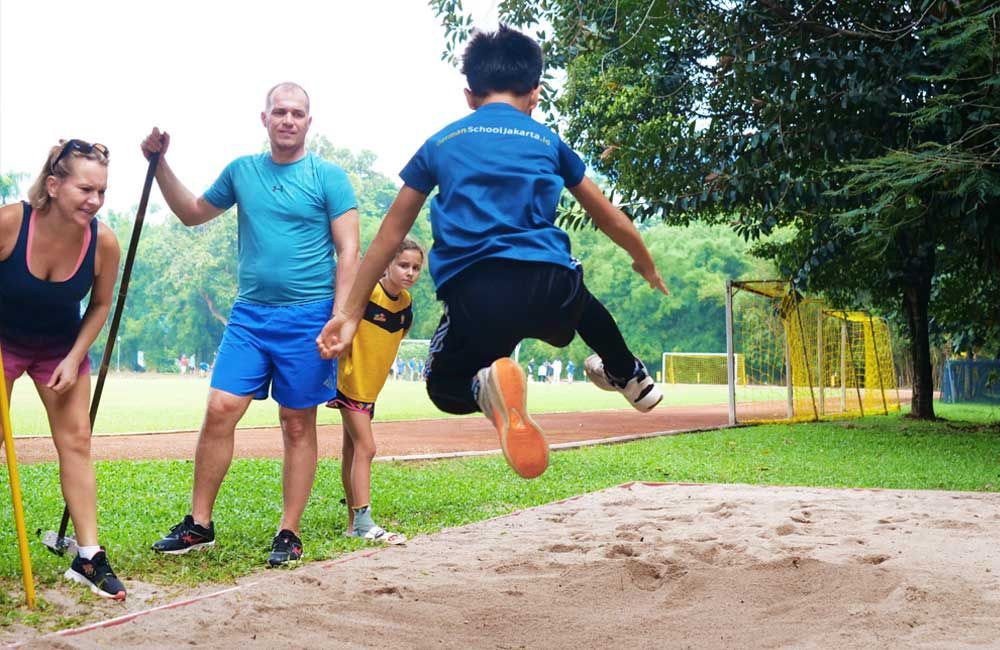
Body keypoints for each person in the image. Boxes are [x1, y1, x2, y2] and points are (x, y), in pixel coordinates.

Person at [317, 26, 668, 480]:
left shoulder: (441, 142)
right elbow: (608, 216)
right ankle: (629, 375)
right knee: (579, 297)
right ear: (535, 94)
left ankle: (484, 389)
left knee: (443, 387)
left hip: (476, 293)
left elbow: (390, 233)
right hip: (550, 285)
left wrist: (348, 312)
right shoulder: (547, 142)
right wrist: (643, 260)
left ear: (469, 95)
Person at [142, 82, 360, 566]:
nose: (287, 120)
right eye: (279, 112)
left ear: (309, 121)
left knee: (297, 423)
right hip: (250, 315)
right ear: (263, 118)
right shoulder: (242, 171)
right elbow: (192, 214)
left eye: (297, 113)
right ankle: (199, 524)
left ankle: (289, 531)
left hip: (309, 316)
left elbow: (349, 251)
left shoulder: (329, 177)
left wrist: (341, 317)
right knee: (220, 406)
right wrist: (159, 167)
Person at [0, 139, 126, 599]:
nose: (94, 201)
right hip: (4, 343)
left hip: (59, 347)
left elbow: (101, 303)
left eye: (102, 192)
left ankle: (89, 557)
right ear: (53, 185)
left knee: (76, 442)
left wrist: (74, 358)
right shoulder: (11, 223)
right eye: (85, 189)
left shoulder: (102, 240)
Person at [329, 238, 423, 544]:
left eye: (416, 268)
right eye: (403, 265)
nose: (409, 272)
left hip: (371, 389)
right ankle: (364, 522)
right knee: (367, 448)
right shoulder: (368, 291)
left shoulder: (406, 304)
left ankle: (352, 523)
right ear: (387, 264)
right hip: (350, 381)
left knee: (352, 451)